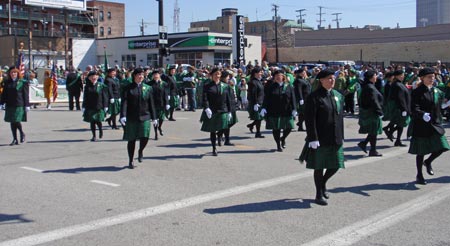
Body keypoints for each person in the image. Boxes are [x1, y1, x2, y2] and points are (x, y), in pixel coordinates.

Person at [300, 69, 345, 206]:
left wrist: (342, 135)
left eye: (333, 78)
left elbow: (339, 117)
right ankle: (318, 194)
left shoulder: (337, 95)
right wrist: (313, 138)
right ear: (322, 81)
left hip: (335, 136)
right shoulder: (314, 97)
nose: (332, 80)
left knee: (336, 164)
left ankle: (323, 183)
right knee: (319, 167)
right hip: (320, 138)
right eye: (329, 78)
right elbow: (310, 119)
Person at [408, 67, 450, 185]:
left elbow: (440, 104)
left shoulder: (436, 91)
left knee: (443, 146)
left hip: (435, 124)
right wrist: (422, 114)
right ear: (422, 78)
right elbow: (414, 108)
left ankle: (428, 161)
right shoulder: (417, 92)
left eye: (433, 76)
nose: (432, 79)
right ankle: (419, 175)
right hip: (421, 125)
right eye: (429, 77)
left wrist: (446, 104)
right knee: (420, 152)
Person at [120, 68, 158, 169]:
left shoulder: (148, 88)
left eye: (142, 75)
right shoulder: (128, 88)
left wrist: (154, 117)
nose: (141, 76)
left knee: (145, 137)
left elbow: (151, 104)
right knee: (131, 140)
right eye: (139, 75)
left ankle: (140, 151)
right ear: (134, 76)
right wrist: (122, 115)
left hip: (145, 116)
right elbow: (124, 102)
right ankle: (131, 160)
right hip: (131, 117)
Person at [260, 70, 297, 152]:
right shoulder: (271, 86)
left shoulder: (289, 86)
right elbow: (266, 98)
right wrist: (263, 107)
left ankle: (283, 138)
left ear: (283, 76)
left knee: (289, 127)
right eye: (276, 76)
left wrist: (294, 108)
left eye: (279, 75)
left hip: (286, 111)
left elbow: (293, 98)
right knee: (276, 129)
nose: (277, 77)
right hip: (274, 111)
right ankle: (278, 145)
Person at [200, 68, 232, 156]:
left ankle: (220, 135)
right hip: (212, 110)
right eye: (215, 74)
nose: (217, 76)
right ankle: (214, 148)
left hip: (223, 109)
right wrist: (206, 108)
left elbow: (228, 99)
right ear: (212, 75)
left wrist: (229, 111)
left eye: (219, 74)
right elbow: (205, 98)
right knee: (213, 130)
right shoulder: (207, 86)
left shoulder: (225, 86)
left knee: (224, 126)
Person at [357, 70, 384, 157]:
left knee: (373, 132)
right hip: (372, 112)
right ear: (371, 77)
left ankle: (365, 144)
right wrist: (379, 111)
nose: (376, 77)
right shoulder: (370, 87)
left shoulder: (368, 86)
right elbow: (374, 101)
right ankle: (372, 150)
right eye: (375, 76)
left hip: (370, 111)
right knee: (374, 131)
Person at [0, 67, 30, 145]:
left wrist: (27, 105)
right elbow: (4, 94)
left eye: (15, 73)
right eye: (12, 73)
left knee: (16, 120)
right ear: (10, 74)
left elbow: (25, 95)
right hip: (10, 104)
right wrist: (1, 103)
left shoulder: (22, 82)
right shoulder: (7, 82)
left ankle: (21, 133)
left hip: (19, 104)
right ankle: (15, 139)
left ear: (17, 74)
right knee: (12, 122)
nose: (13, 74)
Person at [82, 71, 109, 142]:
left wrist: (106, 106)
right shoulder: (87, 86)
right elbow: (85, 97)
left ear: (97, 77)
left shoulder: (101, 85)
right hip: (90, 106)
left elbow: (105, 96)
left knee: (98, 120)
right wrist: (84, 106)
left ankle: (100, 129)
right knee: (92, 121)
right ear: (89, 78)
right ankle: (94, 136)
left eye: (95, 76)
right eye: (91, 77)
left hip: (99, 106)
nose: (93, 78)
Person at [387, 70, 411, 147]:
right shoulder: (397, 85)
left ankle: (397, 139)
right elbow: (400, 98)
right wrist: (404, 109)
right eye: (401, 75)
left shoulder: (399, 84)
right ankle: (394, 136)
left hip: (401, 107)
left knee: (401, 124)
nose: (403, 76)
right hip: (400, 108)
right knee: (401, 123)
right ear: (397, 76)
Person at [147, 70, 169, 140]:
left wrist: (167, 103)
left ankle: (159, 127)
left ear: (159, 75)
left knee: (162, 118)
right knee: (155, 119)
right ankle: (156, 133)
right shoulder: (149, 84)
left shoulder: (163, 84)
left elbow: (165, 94)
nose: (156, 76)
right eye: (154, 75)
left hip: (162, 103)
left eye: (157, 74)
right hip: (153, 104)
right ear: (153, 76)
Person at [218, 70, 238, 146]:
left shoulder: (228, 84)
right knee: (226, 124)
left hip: (232, 106)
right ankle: (224, 138)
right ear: (223, 78)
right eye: (227, 77)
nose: (228, 78)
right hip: (226, 107)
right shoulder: (222, 86)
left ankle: (221, 134)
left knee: (231, 122)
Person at [246, 66, 265, 138]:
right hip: (256, 103)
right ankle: (258, 133)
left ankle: (252, 126)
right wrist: (255, 103)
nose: (261, 73)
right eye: (260, 72)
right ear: (255, 73)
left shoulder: (259, 81)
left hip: (261, 102)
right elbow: (253, 94)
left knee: (260, 118)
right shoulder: (253, 82)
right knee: (258, 118)